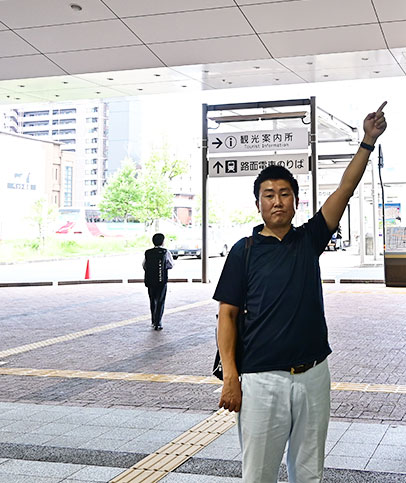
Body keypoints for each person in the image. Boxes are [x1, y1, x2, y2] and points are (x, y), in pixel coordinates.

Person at [213, 101, 388, 483]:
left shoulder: (309, 239)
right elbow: (226, 316)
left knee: (309, 472)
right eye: (269, 195)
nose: (277, 201)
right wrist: (231, 377)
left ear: (295, 199)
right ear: (258, 202)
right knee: (258, 474)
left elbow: (346, 188)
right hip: (261, 380)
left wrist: (367, 141)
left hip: (313, 376)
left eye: (285, 194)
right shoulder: (244, 252)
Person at [143, 232, 173, 330]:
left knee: (152, 300)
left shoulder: (148, 252)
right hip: (162, 280)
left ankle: (153, 320)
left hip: (150, 280)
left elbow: (144, 265)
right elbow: (170, 265)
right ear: (163, 241)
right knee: (160, 300)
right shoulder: (165, 252)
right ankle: (158, 322)